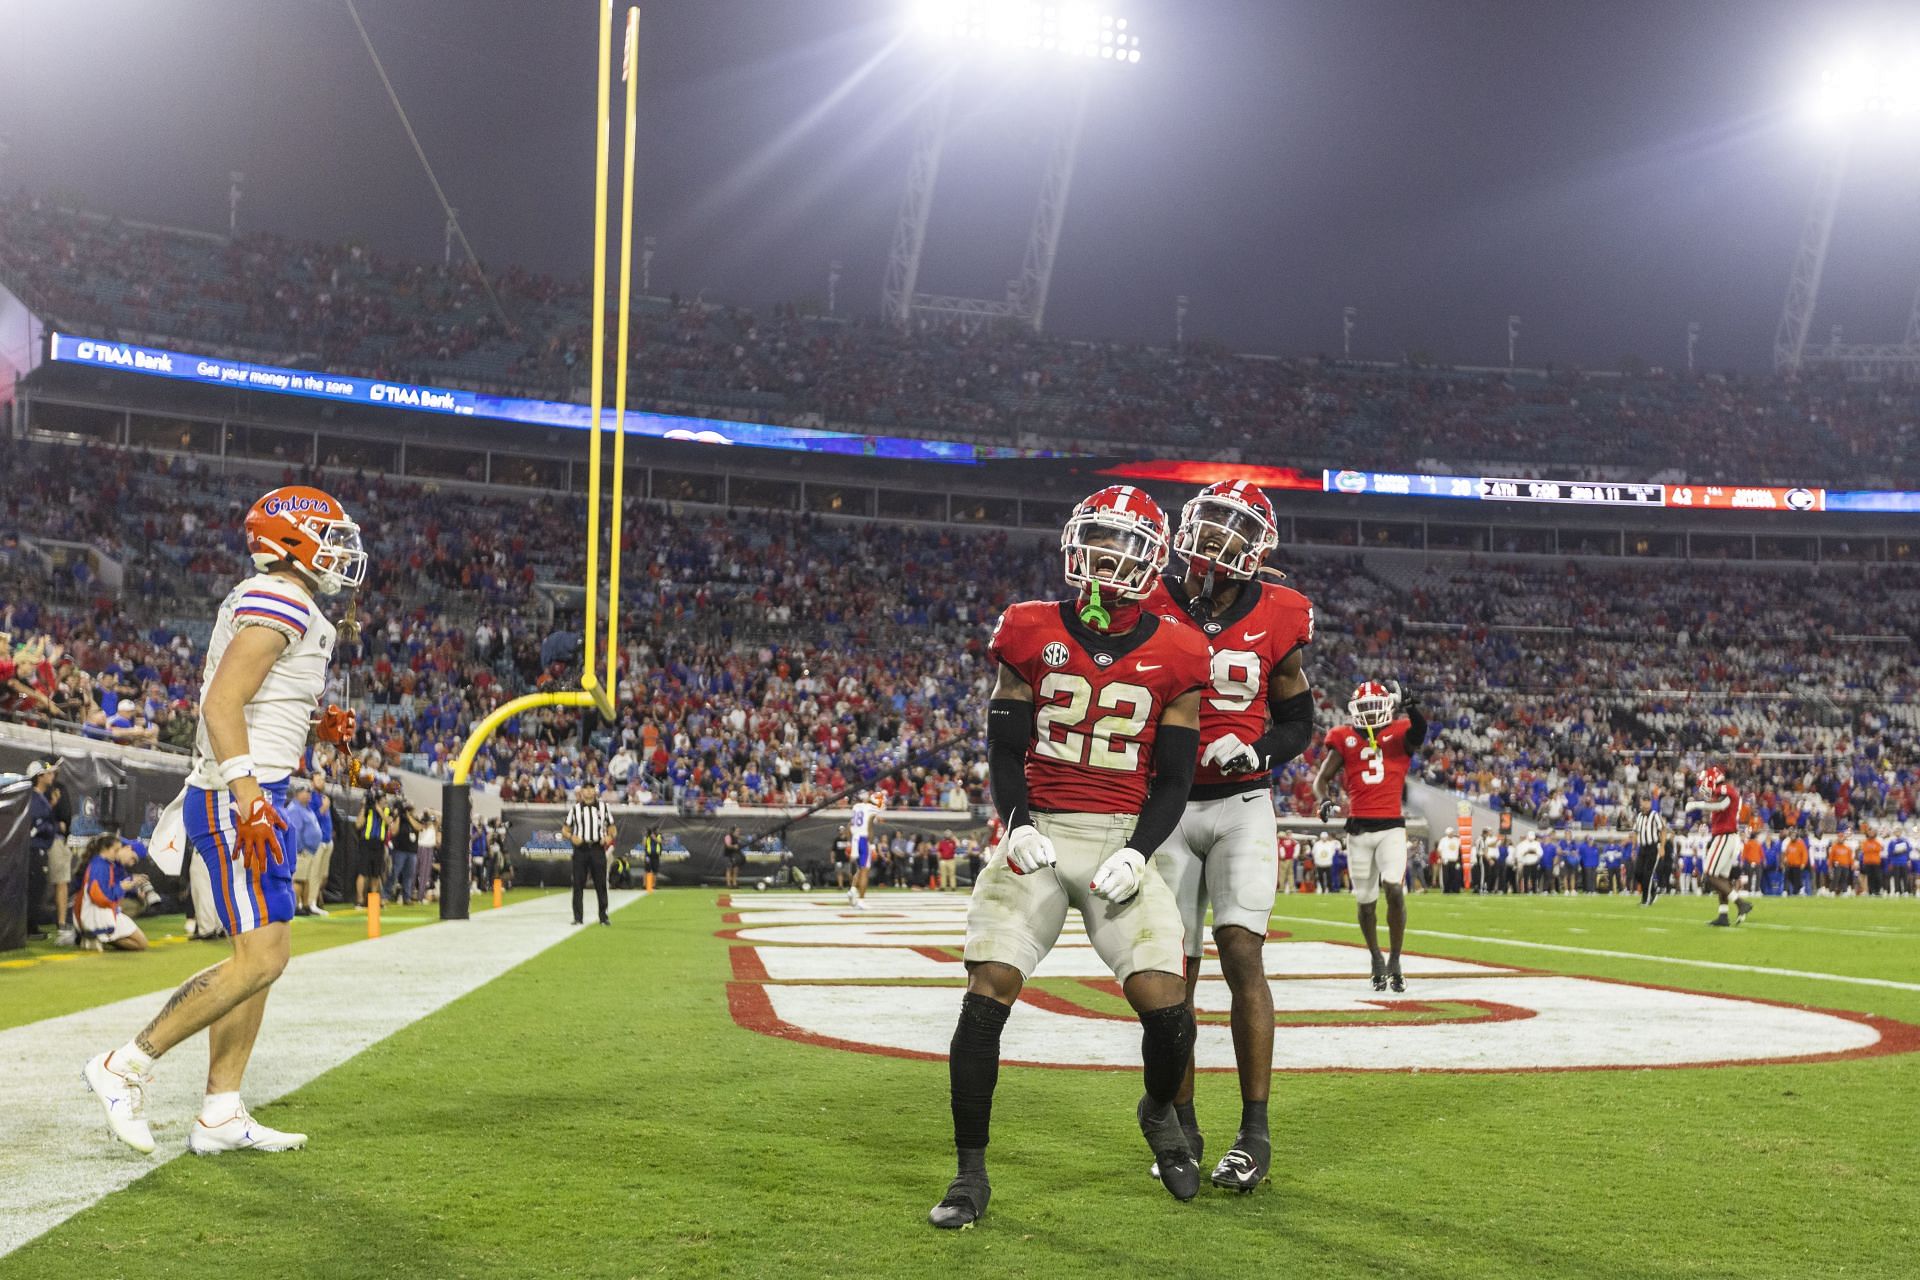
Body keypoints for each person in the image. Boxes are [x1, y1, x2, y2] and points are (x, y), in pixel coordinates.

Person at [928, 485, 1209, 1229]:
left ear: (1152, 560)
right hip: (1043, 826)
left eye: (1123, 544)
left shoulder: (1181, 647)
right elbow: (1005, 748)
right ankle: (969, 1177)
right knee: (988, 989)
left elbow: (1177, 779)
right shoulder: (1027, 628)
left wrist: (1142, 851)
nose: (1105, 557)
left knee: (1168, 1010)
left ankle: (1157, 1110)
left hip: (1124, 834)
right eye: (1098, 539)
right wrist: (1016, 822)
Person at [83, 483, 366, 1156]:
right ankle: (125, 1065)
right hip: (242, 799)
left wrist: (311, 724)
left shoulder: (286, 600)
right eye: (328, 537)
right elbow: (220, 702)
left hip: (253, 787)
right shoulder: (283, 596)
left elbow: (258, 696)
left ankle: (221, 1110)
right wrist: (246, 793)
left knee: (263, 961)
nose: (338, 552)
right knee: (257, 959)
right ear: (293, 540)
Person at [1138, 479, 1316, 1193]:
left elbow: (1298, 721)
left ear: (1258, 546)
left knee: (1242, 951)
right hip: (1167, 807)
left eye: (1231, 526)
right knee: (1171, 974)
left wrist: (1260, 751)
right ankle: (1182, 1122)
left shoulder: (1281, 612)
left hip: (1242, 801)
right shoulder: (1147, 599)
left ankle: (1255, 1131)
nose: (1213, 536)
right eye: (1206, 520)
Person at [1314, 679, 1428, 993]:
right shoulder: (1344, 737)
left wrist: (1413, 706)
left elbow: (1420, 732)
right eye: (1362, 708)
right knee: (1366, 903)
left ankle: (1396, 960)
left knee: (1394, 887)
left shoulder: (1399, 733)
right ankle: (1376, 958)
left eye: (1372, 707)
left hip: (1391, 826)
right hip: (1358, 830)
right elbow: (1322, 779)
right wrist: (1324, 799)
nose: (1367, 714)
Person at [1688, 765, 1751, 926]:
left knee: (1710, 875)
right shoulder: (1724, 789)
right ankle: (1723, 915)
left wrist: (1697, 804)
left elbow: (1721, 805)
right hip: (1726, 836)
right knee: (1722, 878)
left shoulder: (1724, 789)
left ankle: (1741, 903)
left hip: (1725, 836)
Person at [73, 833, 152, 952]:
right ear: (106, 849)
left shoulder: (105, 863)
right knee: (141, 943)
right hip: (92, 911)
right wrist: (121, 887)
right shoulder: (100, 865)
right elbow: (99, 897)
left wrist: (129, 887)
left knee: (141, 941)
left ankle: (96, 936)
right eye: (116, 850)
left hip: (95, 909)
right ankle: (95, 935)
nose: (117, 852)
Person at [563, 783, 615, 926]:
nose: (588, 791)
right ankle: (578, 917)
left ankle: (603, 917)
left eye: (591, 788)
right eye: (586, 788)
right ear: (582, 792)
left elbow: (612, 828)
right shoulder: (575, 809)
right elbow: (565, 829)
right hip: (581, 849)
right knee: (578, 884)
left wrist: (609, 838)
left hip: (597, 848)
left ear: (595, 791)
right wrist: (572, 837)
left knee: (601, 883)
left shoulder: (603, 808)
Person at [283, 778, 324, 915]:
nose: (308, 794)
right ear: (297, 794)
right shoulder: (295, 809)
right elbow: (295, 831)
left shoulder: (307, 809)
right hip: (301, 851)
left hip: (310, 851)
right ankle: (295, 907)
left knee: (306, 880)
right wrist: (299, 849)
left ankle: (306, 905)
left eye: (309, 792)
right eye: (304, 792)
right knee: (299, 879)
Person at [1632, 794, 1669, 906]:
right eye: (1645, 801)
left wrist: (1662, 847)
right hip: (1642, 848)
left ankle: (1645, 900)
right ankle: (1653, 889)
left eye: (1648, 801)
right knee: (1638, 873)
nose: (1647, 803)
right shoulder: (1638, 816)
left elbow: (1663, 830)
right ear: (1641, 802)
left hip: (1652, 847)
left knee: (1647, 874)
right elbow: (1635, 832)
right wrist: (1634, 849)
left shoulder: (1655, 815)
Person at [305, 774, 334, 916]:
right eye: (318, 779)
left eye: (322, 779)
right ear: (311, 782)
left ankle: (315, 900)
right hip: (318, 841)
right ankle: (310, 903)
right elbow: (311, 818)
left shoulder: (323, 797)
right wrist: (323, 808)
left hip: (327, 840)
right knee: (314, 874)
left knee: (323, 875)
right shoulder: (310, 798)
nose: (321, 782)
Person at [846, 796, 883, 909]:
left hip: (855, 839)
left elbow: (849, 825)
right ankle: (861, 901)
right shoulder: (872, 809)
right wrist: (872, 846)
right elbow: (869, 828)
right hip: (864, 840)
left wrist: (849, 842)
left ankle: (852, 889)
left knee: (858, 869)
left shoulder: (857, 807)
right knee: (865, 871)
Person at [722, 824, 744, 891]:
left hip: (736, 855)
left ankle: (734, 884)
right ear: (733, 831)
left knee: (735, 869)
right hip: (728, 855)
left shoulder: (738, 838)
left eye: (739, 831)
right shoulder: (728, 837)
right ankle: (729, 884)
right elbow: (728, 845)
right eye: (737, 831)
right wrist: (734, 846)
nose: (738, 832)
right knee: (729, 869)